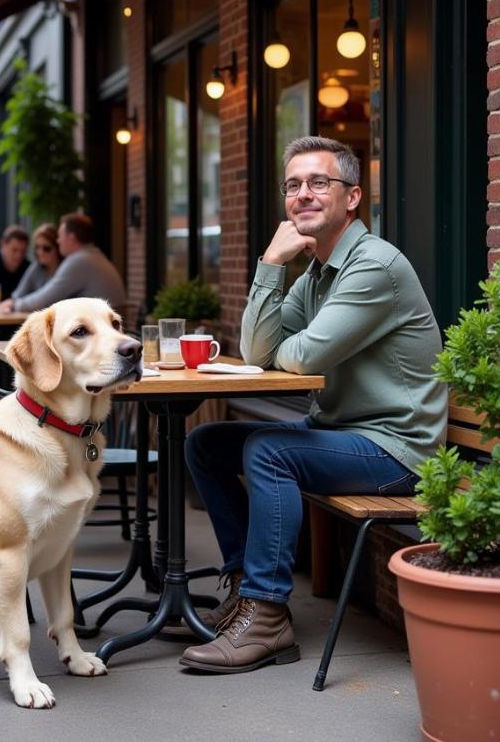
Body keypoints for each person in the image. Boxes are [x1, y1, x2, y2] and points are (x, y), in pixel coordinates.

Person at [179, 136, 447, 675]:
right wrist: (271, 263)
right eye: (293, 185)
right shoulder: (318, 270)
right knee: (206, 443)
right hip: (344, 433)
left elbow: (301, 358)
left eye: (318, 182)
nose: (303, 194)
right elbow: (258, 351)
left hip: (398, 449)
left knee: (269, 451)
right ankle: (244, 586)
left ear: (352, 197)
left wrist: (285, 340)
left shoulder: (373, 266)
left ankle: (269, 614)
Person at [0, 213, 126, 314]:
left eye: (60, 236)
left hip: (101, 335)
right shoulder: (92, 256)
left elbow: (45, 300)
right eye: (37, 248)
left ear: (71, 238)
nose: (58, 241)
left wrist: (15, 304)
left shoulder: (79, 261)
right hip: (106, 329)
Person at [8, 223, 62, 300]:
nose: (40, 252)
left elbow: (47, 298)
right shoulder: (36, 268)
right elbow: (17, 295)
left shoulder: (65, 268)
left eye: (46, 248)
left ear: (57, 248)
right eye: (37, 247)